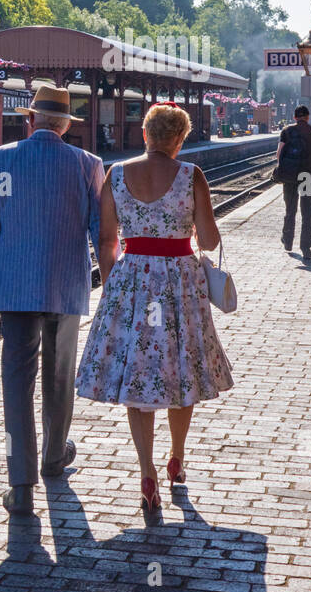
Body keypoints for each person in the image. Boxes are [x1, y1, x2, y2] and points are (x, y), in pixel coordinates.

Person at [75, 103, 233, 512]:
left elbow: (107, 240)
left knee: (137, 372)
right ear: (179, 140)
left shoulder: (116, 174)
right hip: (180, 281)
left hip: (132, 282)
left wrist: (114, 287)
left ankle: (146, 473)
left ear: (145, 134)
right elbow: (210, 240)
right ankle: (176, 458)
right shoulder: (190, 174)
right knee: (181, 364)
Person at [0, 83, 104, 518]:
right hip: (65, 287)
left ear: (30, 120)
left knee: (16, 383)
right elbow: (101, 233)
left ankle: (20, 485)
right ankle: (55, 456)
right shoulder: (88, 165)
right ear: (65, 125)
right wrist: (115, 284)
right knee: (60, 374)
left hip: (16, 288)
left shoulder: (0, 160)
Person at [277, 105, 311, 262]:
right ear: (307, 117)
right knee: (307, 212)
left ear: (294, 117)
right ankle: (306, 247)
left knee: (290, 209)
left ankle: (287, 241)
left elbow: (279, 154)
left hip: (290, 177)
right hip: (306, 176)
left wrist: (285, 168)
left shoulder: (286, 131)